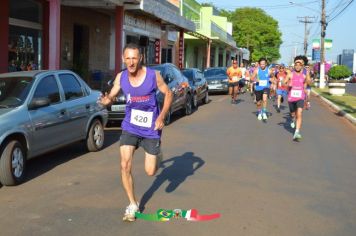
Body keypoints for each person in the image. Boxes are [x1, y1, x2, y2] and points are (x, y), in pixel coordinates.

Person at [99, 43, 173, 222]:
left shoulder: (153, 76)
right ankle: (132, 204)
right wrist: (106, 100)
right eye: (127, 58)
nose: (131, 62)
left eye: (134, 58)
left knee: (150, 172)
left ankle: (158, 155)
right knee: (124, 165)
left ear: (140, 58)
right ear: (123, 59)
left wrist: (161, 116)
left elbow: (169, 94)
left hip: (150, 128)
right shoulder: (121, 77)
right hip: (130, 126)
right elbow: (112, 96)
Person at [284, 55, 312, 141]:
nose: (298, 66)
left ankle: (297, 132)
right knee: (293, 114)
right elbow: (284, 82)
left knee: (299, 113)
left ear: (302, 65)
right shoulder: (290, 74)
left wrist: (307, 75)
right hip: (291, 97)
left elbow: (309, 83)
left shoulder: (304, 74)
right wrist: (288, 84)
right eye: (296, 64)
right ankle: (292, 118)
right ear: (294, 65)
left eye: (300, 64)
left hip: (300, 97)